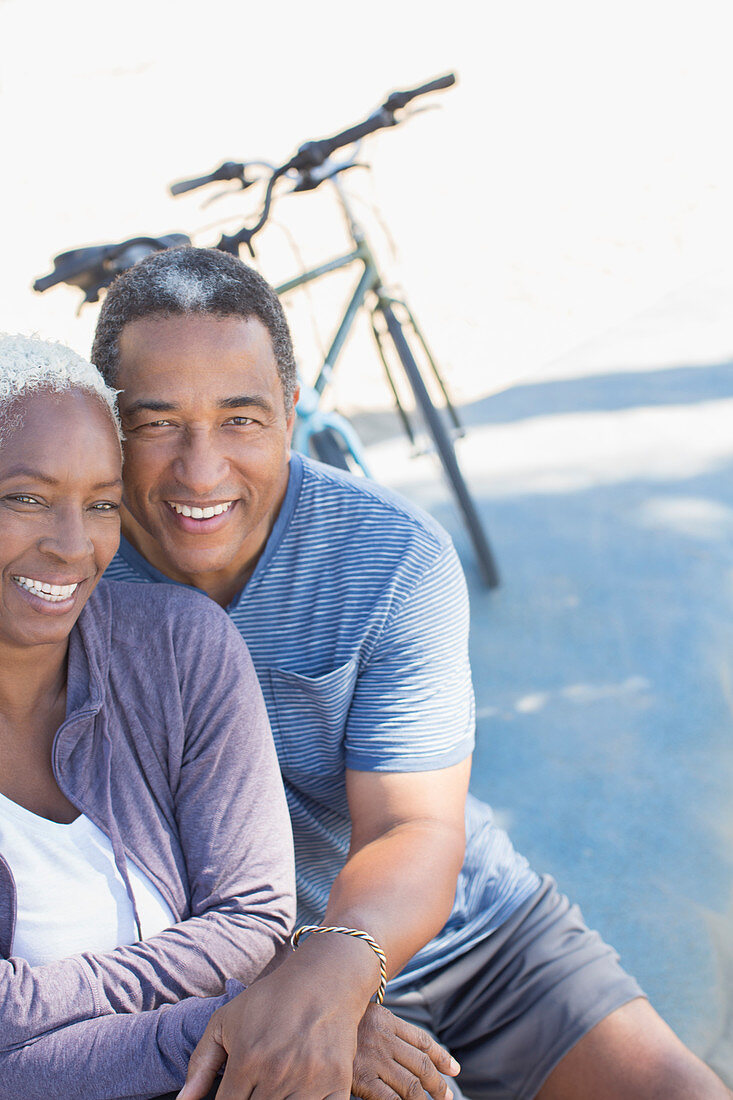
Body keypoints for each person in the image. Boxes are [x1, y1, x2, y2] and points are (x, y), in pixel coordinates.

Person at [95, 246, 732, 1100]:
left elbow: (410, 827)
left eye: (241, 418)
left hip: (471, 937)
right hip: (228, 977)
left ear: (290, 411)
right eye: (157, 421)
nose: (200, 469)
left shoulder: (391, 556)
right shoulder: (65, 580)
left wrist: (332, 976)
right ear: (107, 426)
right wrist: (293, 1000)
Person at [0, 333, 297, 1099]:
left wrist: (274, 1030)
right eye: (26, 498)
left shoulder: (175, 645)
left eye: (100, 504)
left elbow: (253, 918)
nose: (72, 547)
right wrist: (229, 1031)